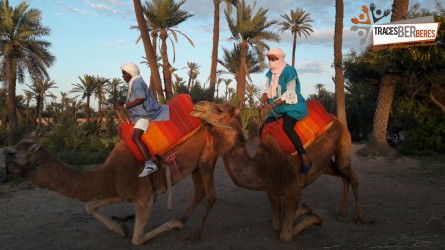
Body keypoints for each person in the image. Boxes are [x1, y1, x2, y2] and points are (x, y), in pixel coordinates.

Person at [258, 48, 311, 174]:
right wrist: (262, 103)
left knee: (287, 126)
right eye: (269, 58)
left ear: (280, 58)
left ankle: (304, 158)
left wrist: (273, 104)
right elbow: (267, 90)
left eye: (273, 58)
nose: (271, 61)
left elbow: (290, 93)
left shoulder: (289, 70)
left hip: (292, 105)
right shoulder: (270, 73)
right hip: (277, 108)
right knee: (262, 129)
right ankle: (266, 157)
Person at [115, 62, 169, 177]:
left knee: (135, 137)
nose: (123, 76)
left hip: (145, 114)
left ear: (130, 73)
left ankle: (149, 164)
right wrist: (124, 104)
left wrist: (124, 106)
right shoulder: (134, 82)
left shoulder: (136, 82)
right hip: (142, 113)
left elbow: (141, 99)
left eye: (124, 73)